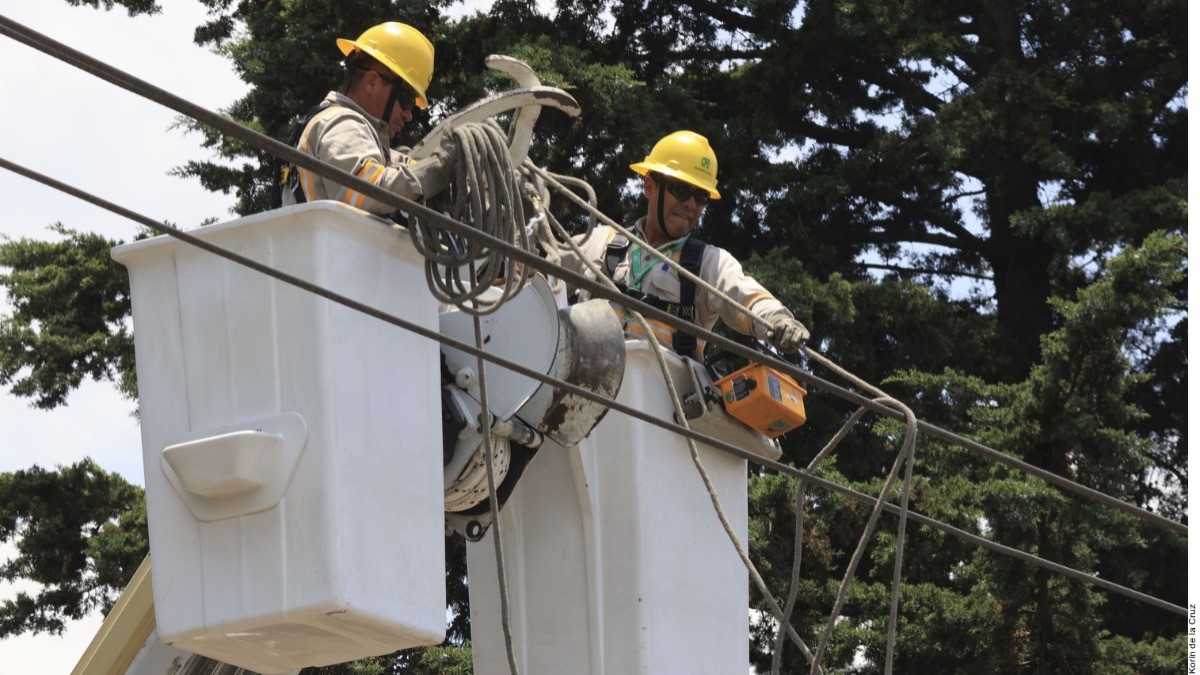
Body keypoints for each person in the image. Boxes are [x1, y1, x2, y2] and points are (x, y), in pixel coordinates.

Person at [558, 130, 810, 358]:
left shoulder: (708, 263)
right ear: (649, 186)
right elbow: (540, 270)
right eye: (680, 189)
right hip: (583, 385)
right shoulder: (600, 242)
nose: (691, 204)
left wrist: (775, 319)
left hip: (660, 400)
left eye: (700, 197)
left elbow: (746, 297)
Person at [276, 22, 457, 214]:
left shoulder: (353, 134)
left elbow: (401, 166)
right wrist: (441, 167)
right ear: (372, 83)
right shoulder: (343, 124)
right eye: (406, 100)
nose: (409, 115)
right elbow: (366, 190)